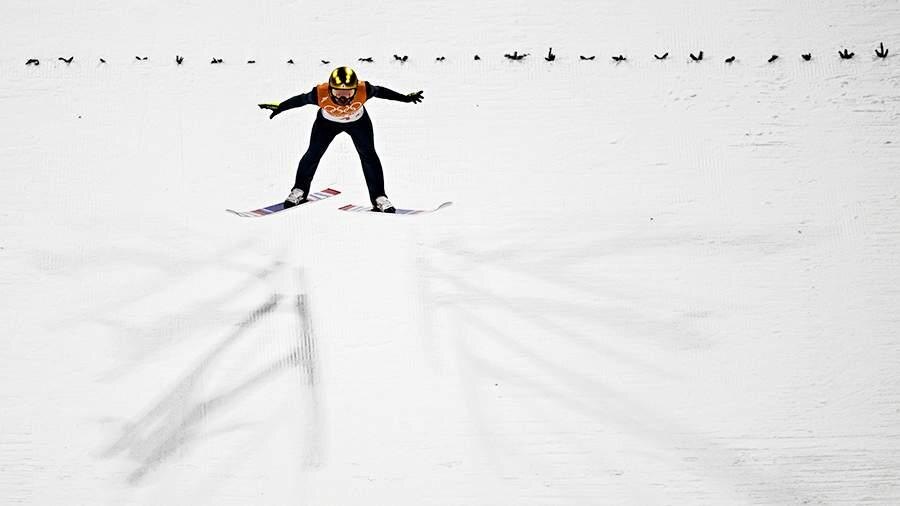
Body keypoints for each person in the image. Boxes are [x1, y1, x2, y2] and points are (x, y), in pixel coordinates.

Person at [259, 66, 424, 212]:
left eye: (348, 93)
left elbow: (382, 92)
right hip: (327, 124)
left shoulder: (364, 89)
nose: (343, 98)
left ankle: (379, 198)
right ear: (330, 89)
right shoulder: (319, 93)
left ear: (355, 89)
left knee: (369, 156)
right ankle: (299, 191)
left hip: (358, 123)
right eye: (338, 93)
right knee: (313, 154)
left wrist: (406, 98)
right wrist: (281, 106)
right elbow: (299, 100)